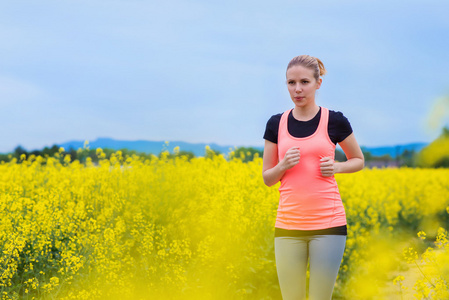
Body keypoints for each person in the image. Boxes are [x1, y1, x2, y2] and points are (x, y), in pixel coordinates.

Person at [262, 55, 364, 300]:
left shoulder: (335, 121)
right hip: (288, 226)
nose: (297, 89)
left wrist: (337, 167)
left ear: (318, 83)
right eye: (291, 82)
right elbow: (267, 177)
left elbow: (358, 160)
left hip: (328, 226)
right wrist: (283, 165)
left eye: (304, 82)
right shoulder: (276, 124)